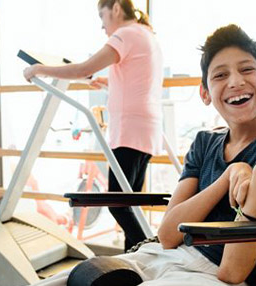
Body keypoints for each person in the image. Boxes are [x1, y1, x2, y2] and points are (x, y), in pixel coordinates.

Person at [0, 24, 256, 286]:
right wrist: (226, 178)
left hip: (219, 282)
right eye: (220, 75)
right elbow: (168, 234)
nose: (235, 81)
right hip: (167, 256)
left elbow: (233, 270)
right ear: (205, 93)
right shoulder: (205, 143)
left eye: (247, 69)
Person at [23, 0, 164, 251]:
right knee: (130, 203)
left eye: (102, 15)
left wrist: (40, 69)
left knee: (116, 203)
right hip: (146, 129)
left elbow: (84, 67)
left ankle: (150, 249)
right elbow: (137, 80)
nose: (102, 25)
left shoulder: (126, 33)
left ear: (117, 8)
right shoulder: (145, 34)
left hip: (129, 132)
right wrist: (107, 82)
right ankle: (136, 260)